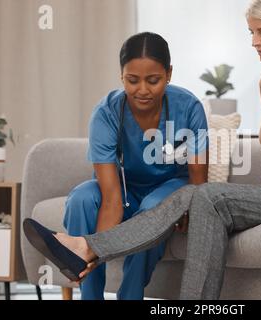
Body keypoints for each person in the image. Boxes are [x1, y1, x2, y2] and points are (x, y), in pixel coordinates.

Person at [24, 0, 261, 300]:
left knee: (205, 195)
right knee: (204, 200)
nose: (254, 42)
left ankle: (86, 247)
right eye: (251, 32)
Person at [46, 32, 209, 300]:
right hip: (125, 188)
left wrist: (190, 209)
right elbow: (111, 197)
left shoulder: (189, 107)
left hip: (170, 187)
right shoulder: (106, 113)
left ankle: (130, 296)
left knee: (152, 211)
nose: (142, 90)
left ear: (169, 74)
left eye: (153, 80)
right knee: (82, 199)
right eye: (132, 80)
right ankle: (89, 293)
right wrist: (96, 249)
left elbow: (198, 179)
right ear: (121, 75)